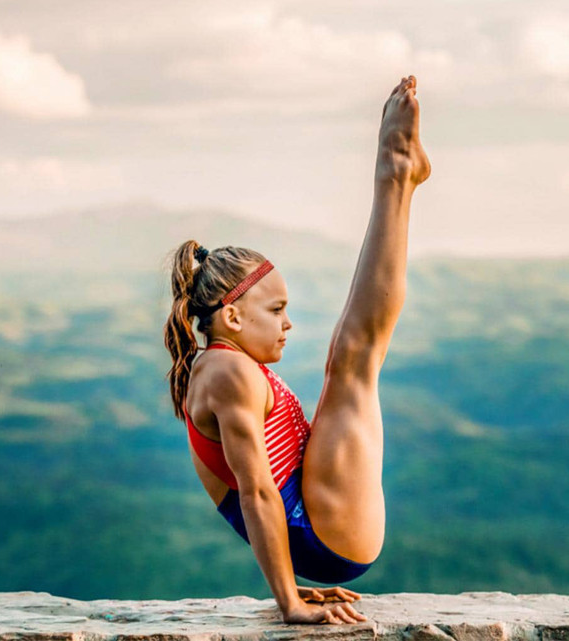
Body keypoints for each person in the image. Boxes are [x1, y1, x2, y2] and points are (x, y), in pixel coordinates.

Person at [163, 76, 430, 625]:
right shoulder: (228, 374)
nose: (288, 324)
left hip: (314, 518)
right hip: (321, 533)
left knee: (351, 359)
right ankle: (396, 176)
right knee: (354, 358)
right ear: (232, 317)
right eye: (276, 310)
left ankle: (399, 178)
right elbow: (257, 491)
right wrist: (289, 601)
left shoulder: (220, 365)